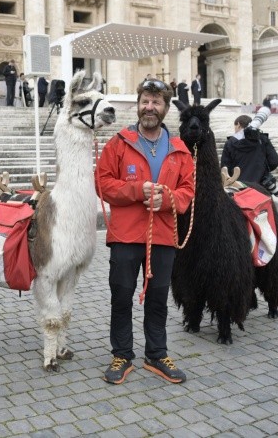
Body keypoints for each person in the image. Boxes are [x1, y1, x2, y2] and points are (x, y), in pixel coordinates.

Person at [95, 79, 195, 385]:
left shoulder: (180, 150)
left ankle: (156, 354)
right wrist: (137, 190)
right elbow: (102, 183)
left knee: (157, 298)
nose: (149, 107)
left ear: (165, 108)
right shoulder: (118, 144)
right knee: (121, 296)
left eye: (156, 102)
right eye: (145, 101)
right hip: (125, 236)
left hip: (163, 236)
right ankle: (122, 354)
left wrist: (167, 200)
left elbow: (188, 191)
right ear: (138, 105)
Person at [220, 114, 278, 186]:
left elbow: (225, 169)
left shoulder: (230, 143)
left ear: (238, 125)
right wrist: (262, 170)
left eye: (235, 127)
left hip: (238, 186)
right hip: (260, 185)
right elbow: (274, 162)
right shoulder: (262, 139)